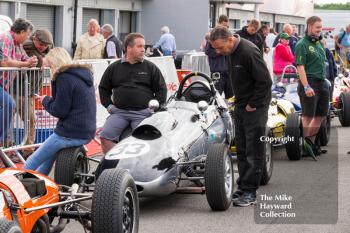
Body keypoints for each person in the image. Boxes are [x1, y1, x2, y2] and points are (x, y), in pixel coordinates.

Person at [209, 26, 272, 207]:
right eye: (215, 48)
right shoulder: (230, 51)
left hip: (255, 107)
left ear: (229, 40)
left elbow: (265, 81)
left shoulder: (248, 51)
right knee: (242, 147)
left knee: (254, 148)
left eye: (220, 47)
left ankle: (251, 191)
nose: (218, 52)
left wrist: (253, 103)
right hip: (241, 104)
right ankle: (244, 186)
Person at [25, 47, 96, 175]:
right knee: (47, 160)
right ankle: (41, 187)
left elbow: (59, 111)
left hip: (69, 133)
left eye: (50, 66)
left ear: (54, 63)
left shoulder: (64, 78)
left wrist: (45, 100)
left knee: (31, 161)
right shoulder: (82, 75)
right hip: (86, 132)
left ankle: (13, 189)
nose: (50, 71)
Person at [99, 33, 167, 154]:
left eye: (144, 46)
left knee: (146, 142)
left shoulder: (150, 67)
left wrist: (153, 110)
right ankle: (116, 163)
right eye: (139, 46)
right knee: (105, 137)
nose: (143, 50)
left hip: (143, 113)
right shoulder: (114, 67)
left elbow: (162, 90)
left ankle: (141, 168)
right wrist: (109, 106)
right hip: (119, 112)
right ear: (128, 48)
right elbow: (103, 88)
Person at [294, 16, 328, 158]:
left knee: (320, 116)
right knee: (308, 116)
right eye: (317, 27)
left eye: (321, 27)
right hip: (309, 83)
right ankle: (305, 147)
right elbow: (300, 67)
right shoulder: (302, 44)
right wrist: (306, 86)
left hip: (322, 83)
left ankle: (311, 144)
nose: (320, 30)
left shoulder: (319, 43)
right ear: (309, 26)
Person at [15, 29, 53, 156]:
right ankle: (20, 150)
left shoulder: (43, 50)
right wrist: (43, 60)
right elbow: (36, 59)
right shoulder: (28, 45)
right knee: (25, 120)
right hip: (19, 91)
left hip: (28, 92)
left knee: (30, 121)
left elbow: (47, 56)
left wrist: (44, 57)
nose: (43, 48)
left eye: (46, 45)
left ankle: (27, 150)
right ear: (35, 39)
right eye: (41, 45)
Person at [0, 18, 37, 147]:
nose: (27, 38)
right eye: (27, 35)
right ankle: (2, 141)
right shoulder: (6, 38)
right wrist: (26, 63)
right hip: (1, 84)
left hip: (3, 85)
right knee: (10, 105)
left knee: (9, 107)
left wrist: (33, 61)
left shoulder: (18, 44)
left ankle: (4, 144)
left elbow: (24, 59)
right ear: (21, 32)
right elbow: (4, 62)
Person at [204, 14, 233, 98]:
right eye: (224, 25)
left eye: (227, 26)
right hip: (217, 71)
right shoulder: (213, 35)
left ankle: (231, 111)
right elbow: (208, 51)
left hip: (229, 71)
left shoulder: (228, 35)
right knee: (216, 96)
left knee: (231, 96)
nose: (225, 28)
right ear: (219, 23)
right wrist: (220, 50)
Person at [322, 39, 337, 104]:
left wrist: (334, 76)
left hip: (329, 78)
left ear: (325, 44)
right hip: (320, 80)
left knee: (330, 95)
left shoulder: (329, 53)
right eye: (321, 44)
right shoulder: (315, 53)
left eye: (323, 44)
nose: (322, 46)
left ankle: (330, 107)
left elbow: (334, 66)